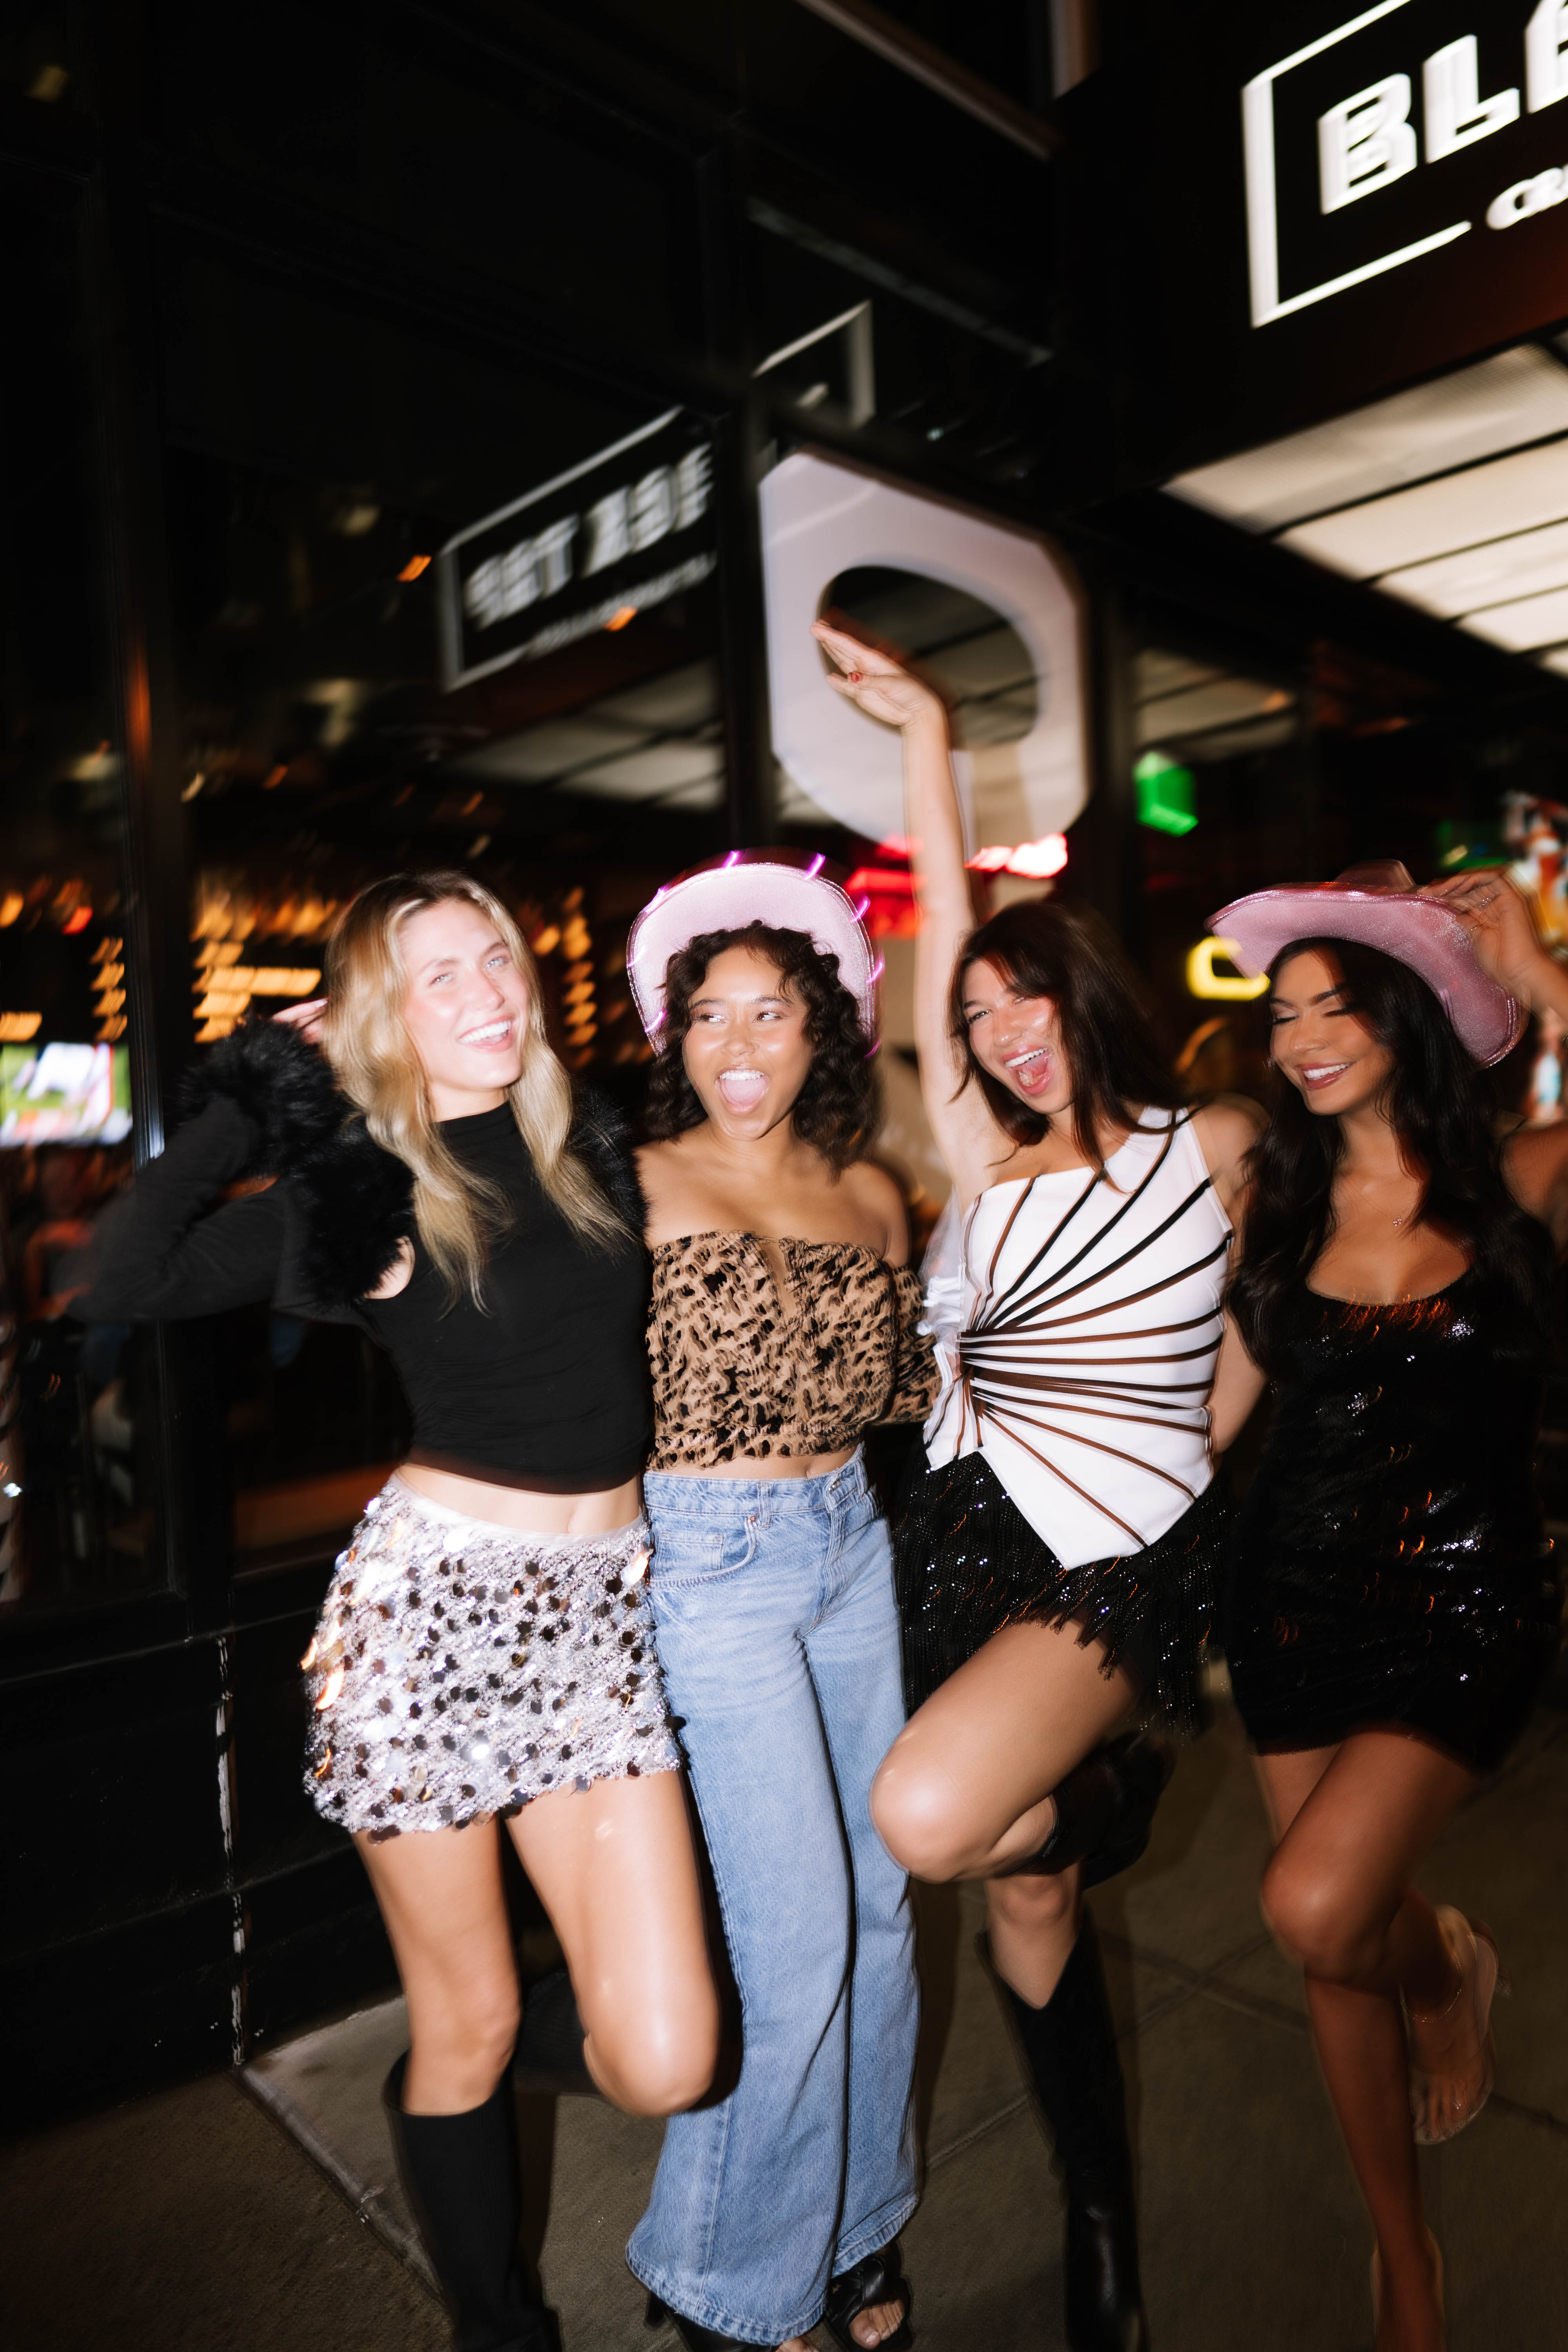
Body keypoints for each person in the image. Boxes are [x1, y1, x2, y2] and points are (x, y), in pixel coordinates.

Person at [81, 870, 719, 2352]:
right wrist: (259, 1091)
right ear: (383, 1014)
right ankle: (499, 2319)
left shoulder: (588, 1151)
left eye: (494, 956)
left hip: (595, 1627)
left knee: (669, 2051)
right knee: (475, 2021)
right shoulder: (365, 1187)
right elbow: (127, 1275)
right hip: (429, 1626)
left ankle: (462, 2055)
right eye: (438, 977)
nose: (487, 993)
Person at [813, 620, 1258, 2352]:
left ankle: (1125, 1792)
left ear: (1088, 988)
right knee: (1018, 1877)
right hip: (950, 1539)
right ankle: (1101, 2225)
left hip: (1110, 1569)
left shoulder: (1200, 1148)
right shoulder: (975, 1175)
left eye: (1026, 998)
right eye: (976, 1016)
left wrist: (1194, 1456)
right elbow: (937, 964)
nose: (1000, 1035)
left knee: (927, 1817)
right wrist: (926, 736)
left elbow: (1286, 1312)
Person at [1210, 862, 1568, 2352]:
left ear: (1407, 1016)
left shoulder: (1520, 1181)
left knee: (1315, 1897)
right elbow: (1219, 1412)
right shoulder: (1279, 1199)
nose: (1302, 1036)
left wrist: (1542, 975)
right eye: (1286, 1012)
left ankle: (1449, 1963)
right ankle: (1404, 2255)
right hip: (1288, 1593)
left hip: (1465, 1596)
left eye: (1336, 1005)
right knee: (1330, 1941)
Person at [621, 852, 940, 2352]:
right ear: (672, 1036)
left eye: (772, 1014)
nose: (738, 1046)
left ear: (824, 1033)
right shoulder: (631, 1185)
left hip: (848, 1546)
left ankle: (857, 2227)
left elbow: (920, 1395)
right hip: (710, 1562)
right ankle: (725, 2280)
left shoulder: (875, 1195)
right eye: (709, 1017)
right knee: (796, 1937)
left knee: (882, 1909)